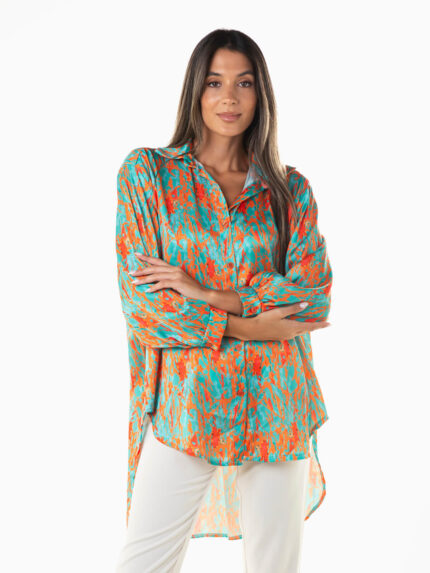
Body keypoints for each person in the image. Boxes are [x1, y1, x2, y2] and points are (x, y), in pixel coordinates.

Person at [115, 28, 333, 573]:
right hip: (187, 405)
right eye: (215, 83)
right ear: (196, 90)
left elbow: (311, 300)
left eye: (244, 83)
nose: (229, 98)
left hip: (277, 406)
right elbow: (146, 309)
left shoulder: (289, 191)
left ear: (262, 95)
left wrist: (209, 294)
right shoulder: (148, 176)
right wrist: (249, 326)